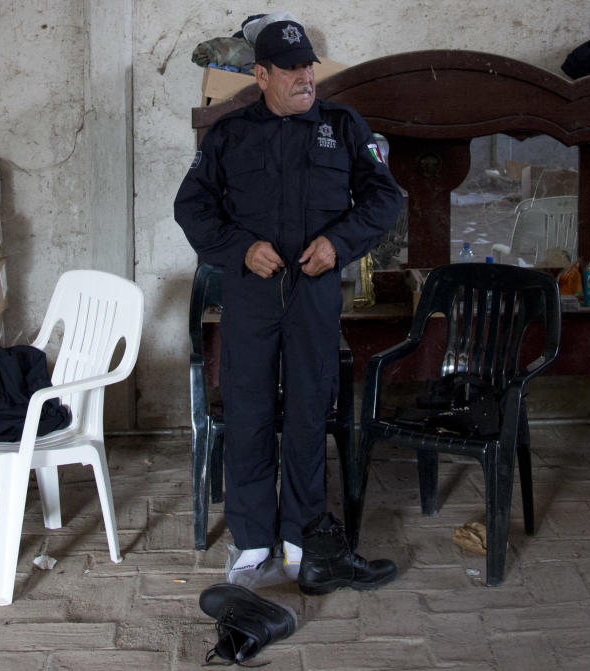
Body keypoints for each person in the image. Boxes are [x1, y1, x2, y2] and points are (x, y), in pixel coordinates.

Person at [174, 19, 402, 593]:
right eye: (292, 69)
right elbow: (192, 207)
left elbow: (383, 198)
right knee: (249, 414)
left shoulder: (343, 128)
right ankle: (253, 542)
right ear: (261, 74)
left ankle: (301, 537)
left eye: (309, 68)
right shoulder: (229, 135)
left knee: (307, 414)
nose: (306, 78)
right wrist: (239, 249)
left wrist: (340, 244)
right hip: (251, 296)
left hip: (314, 294)